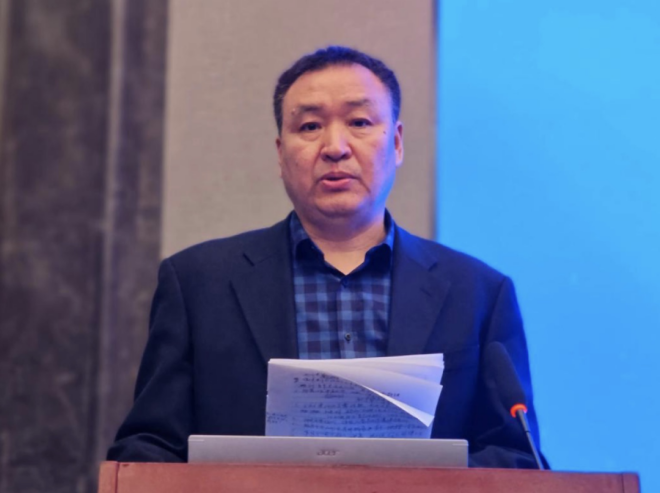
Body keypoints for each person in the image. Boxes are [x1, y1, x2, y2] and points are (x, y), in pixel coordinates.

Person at [107, 46, 546, 468]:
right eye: (310, 126)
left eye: (359, 122)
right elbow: (148, 450)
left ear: (396, 143)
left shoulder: (479, 294)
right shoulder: (199, 284)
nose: (335, 146)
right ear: (281, 153)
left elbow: (515, 457)